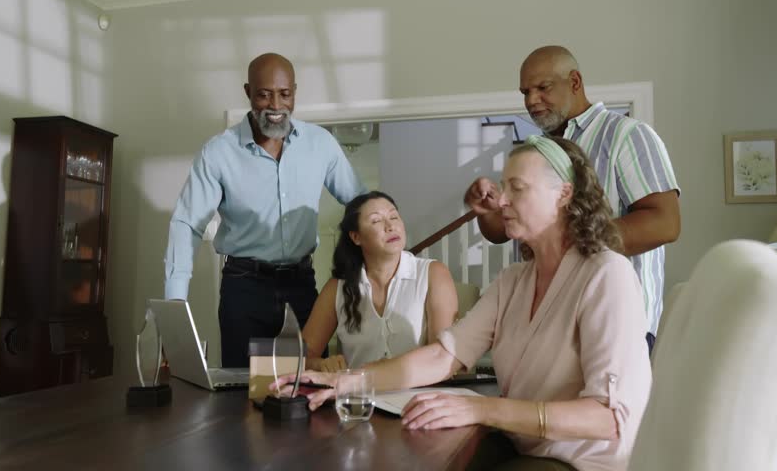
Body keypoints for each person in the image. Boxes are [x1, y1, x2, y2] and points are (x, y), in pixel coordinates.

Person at [276, 136, 652, 471]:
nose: (501, 200)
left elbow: (608, 418)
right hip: (521, 446)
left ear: (564, 194)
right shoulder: (513, 281)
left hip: (577, 461)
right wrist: (344, 382)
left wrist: (482, 408)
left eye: (517, 188)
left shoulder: (606, 274)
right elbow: (443, 356)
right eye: (504, 187)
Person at [465, 46, 680, 351]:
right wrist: (488, 211)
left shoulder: (626, 135)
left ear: (575, 82)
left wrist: (568, 244)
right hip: (545, 328)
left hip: (614, 325)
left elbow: (665, 223)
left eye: (543, 88)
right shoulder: (536, 152)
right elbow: (503, 232)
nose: (531, 100)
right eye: (525, 92)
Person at [164, 53, 367, 367]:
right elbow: (187, 224)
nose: (275, 105)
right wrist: (175, 304)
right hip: (244, 289)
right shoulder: (218, 153)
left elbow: (361, 203)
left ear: (294, 93)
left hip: (302, 287)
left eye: (284, 94)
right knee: (241, 394)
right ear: (248, 92)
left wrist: (382, 259)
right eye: (264, 94)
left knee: (310, 386)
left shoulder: (320, 144)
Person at [301, 191, 458, 372]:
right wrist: (321, 364)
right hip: (358, 396)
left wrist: (388, 372)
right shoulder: (337, 287)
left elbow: (443, 356)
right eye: (376, 221)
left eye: (394, 217)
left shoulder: (433, 273)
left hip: (419, 395)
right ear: (356, 237)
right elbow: (303, 356)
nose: (390, 226)